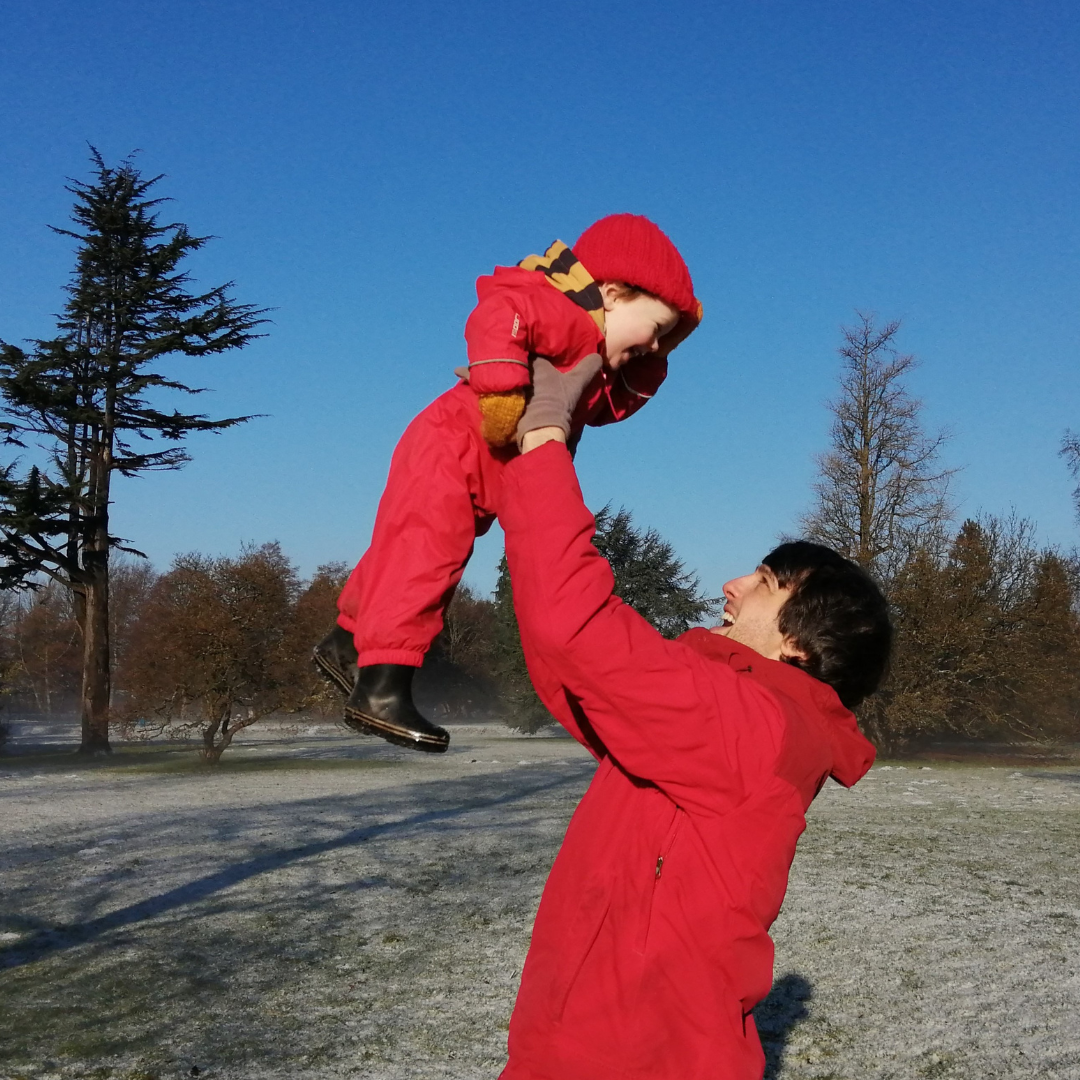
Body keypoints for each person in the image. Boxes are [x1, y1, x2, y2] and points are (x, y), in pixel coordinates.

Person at [491, 359, 892, 1079]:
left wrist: (548, 442)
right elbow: (570, 664)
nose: (731, 585)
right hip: (578, 1047)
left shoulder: (756, 728)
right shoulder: (733, 719)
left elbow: (578, 633)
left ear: (799, 642)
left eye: (764, 583)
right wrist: (529, 470)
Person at [314, 214, 702, 752]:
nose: (657, 347)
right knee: (424, 555)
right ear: (611, 294)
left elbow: (611, 407)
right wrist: (500, 392)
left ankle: (346, 641)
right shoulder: (563, 315)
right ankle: (381, 688)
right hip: (455, 442)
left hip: (483, 467)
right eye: (656, 329)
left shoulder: (588, 360)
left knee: (412, 550)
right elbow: (500, 309)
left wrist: (646, 361)